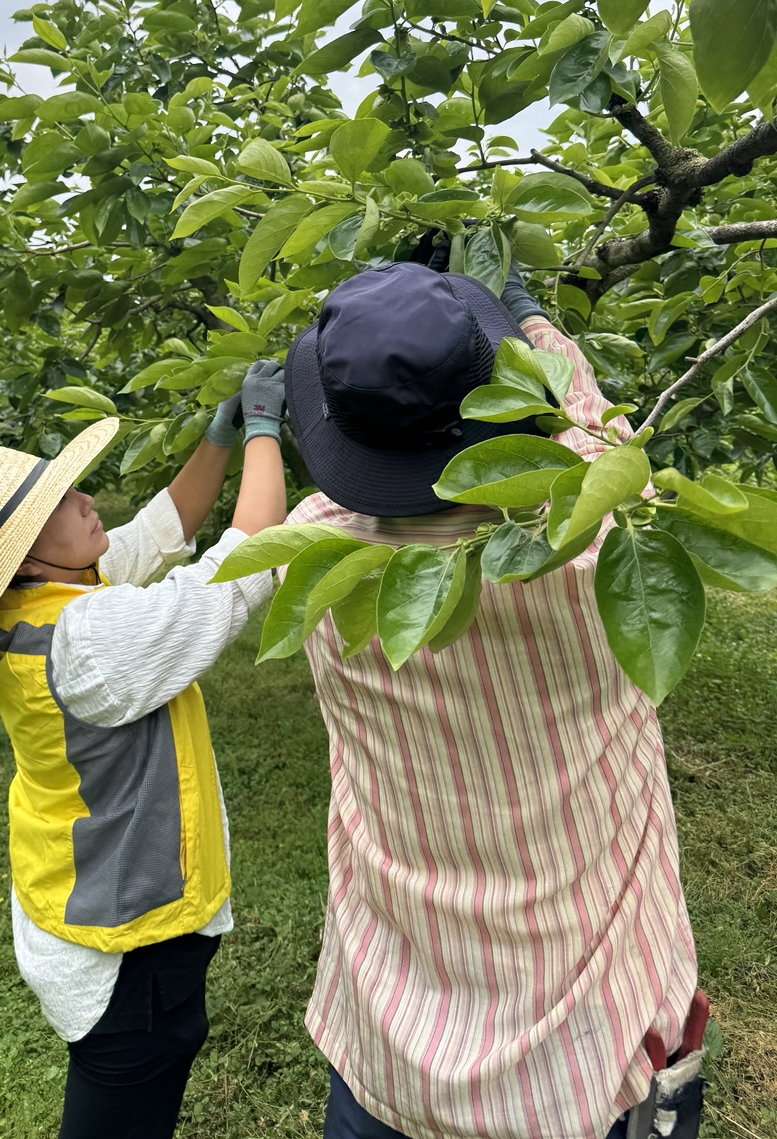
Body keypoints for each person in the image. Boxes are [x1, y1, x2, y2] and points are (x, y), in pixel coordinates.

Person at [281, 262, 705, 1139]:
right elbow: (593, 427)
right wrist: (525, 313)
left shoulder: (316, 565)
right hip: (587, 1065)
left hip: (388, 1044)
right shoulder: (599, 545)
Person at [0, 360, 288, 1139]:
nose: (87, 499)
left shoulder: (38, 600)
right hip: (127, 948)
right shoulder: (88, 639)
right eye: (59, 503)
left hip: (80, 898)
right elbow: (246, 562)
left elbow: (159, 532)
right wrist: (267, 429)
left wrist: (220, 439)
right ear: (24, 556)